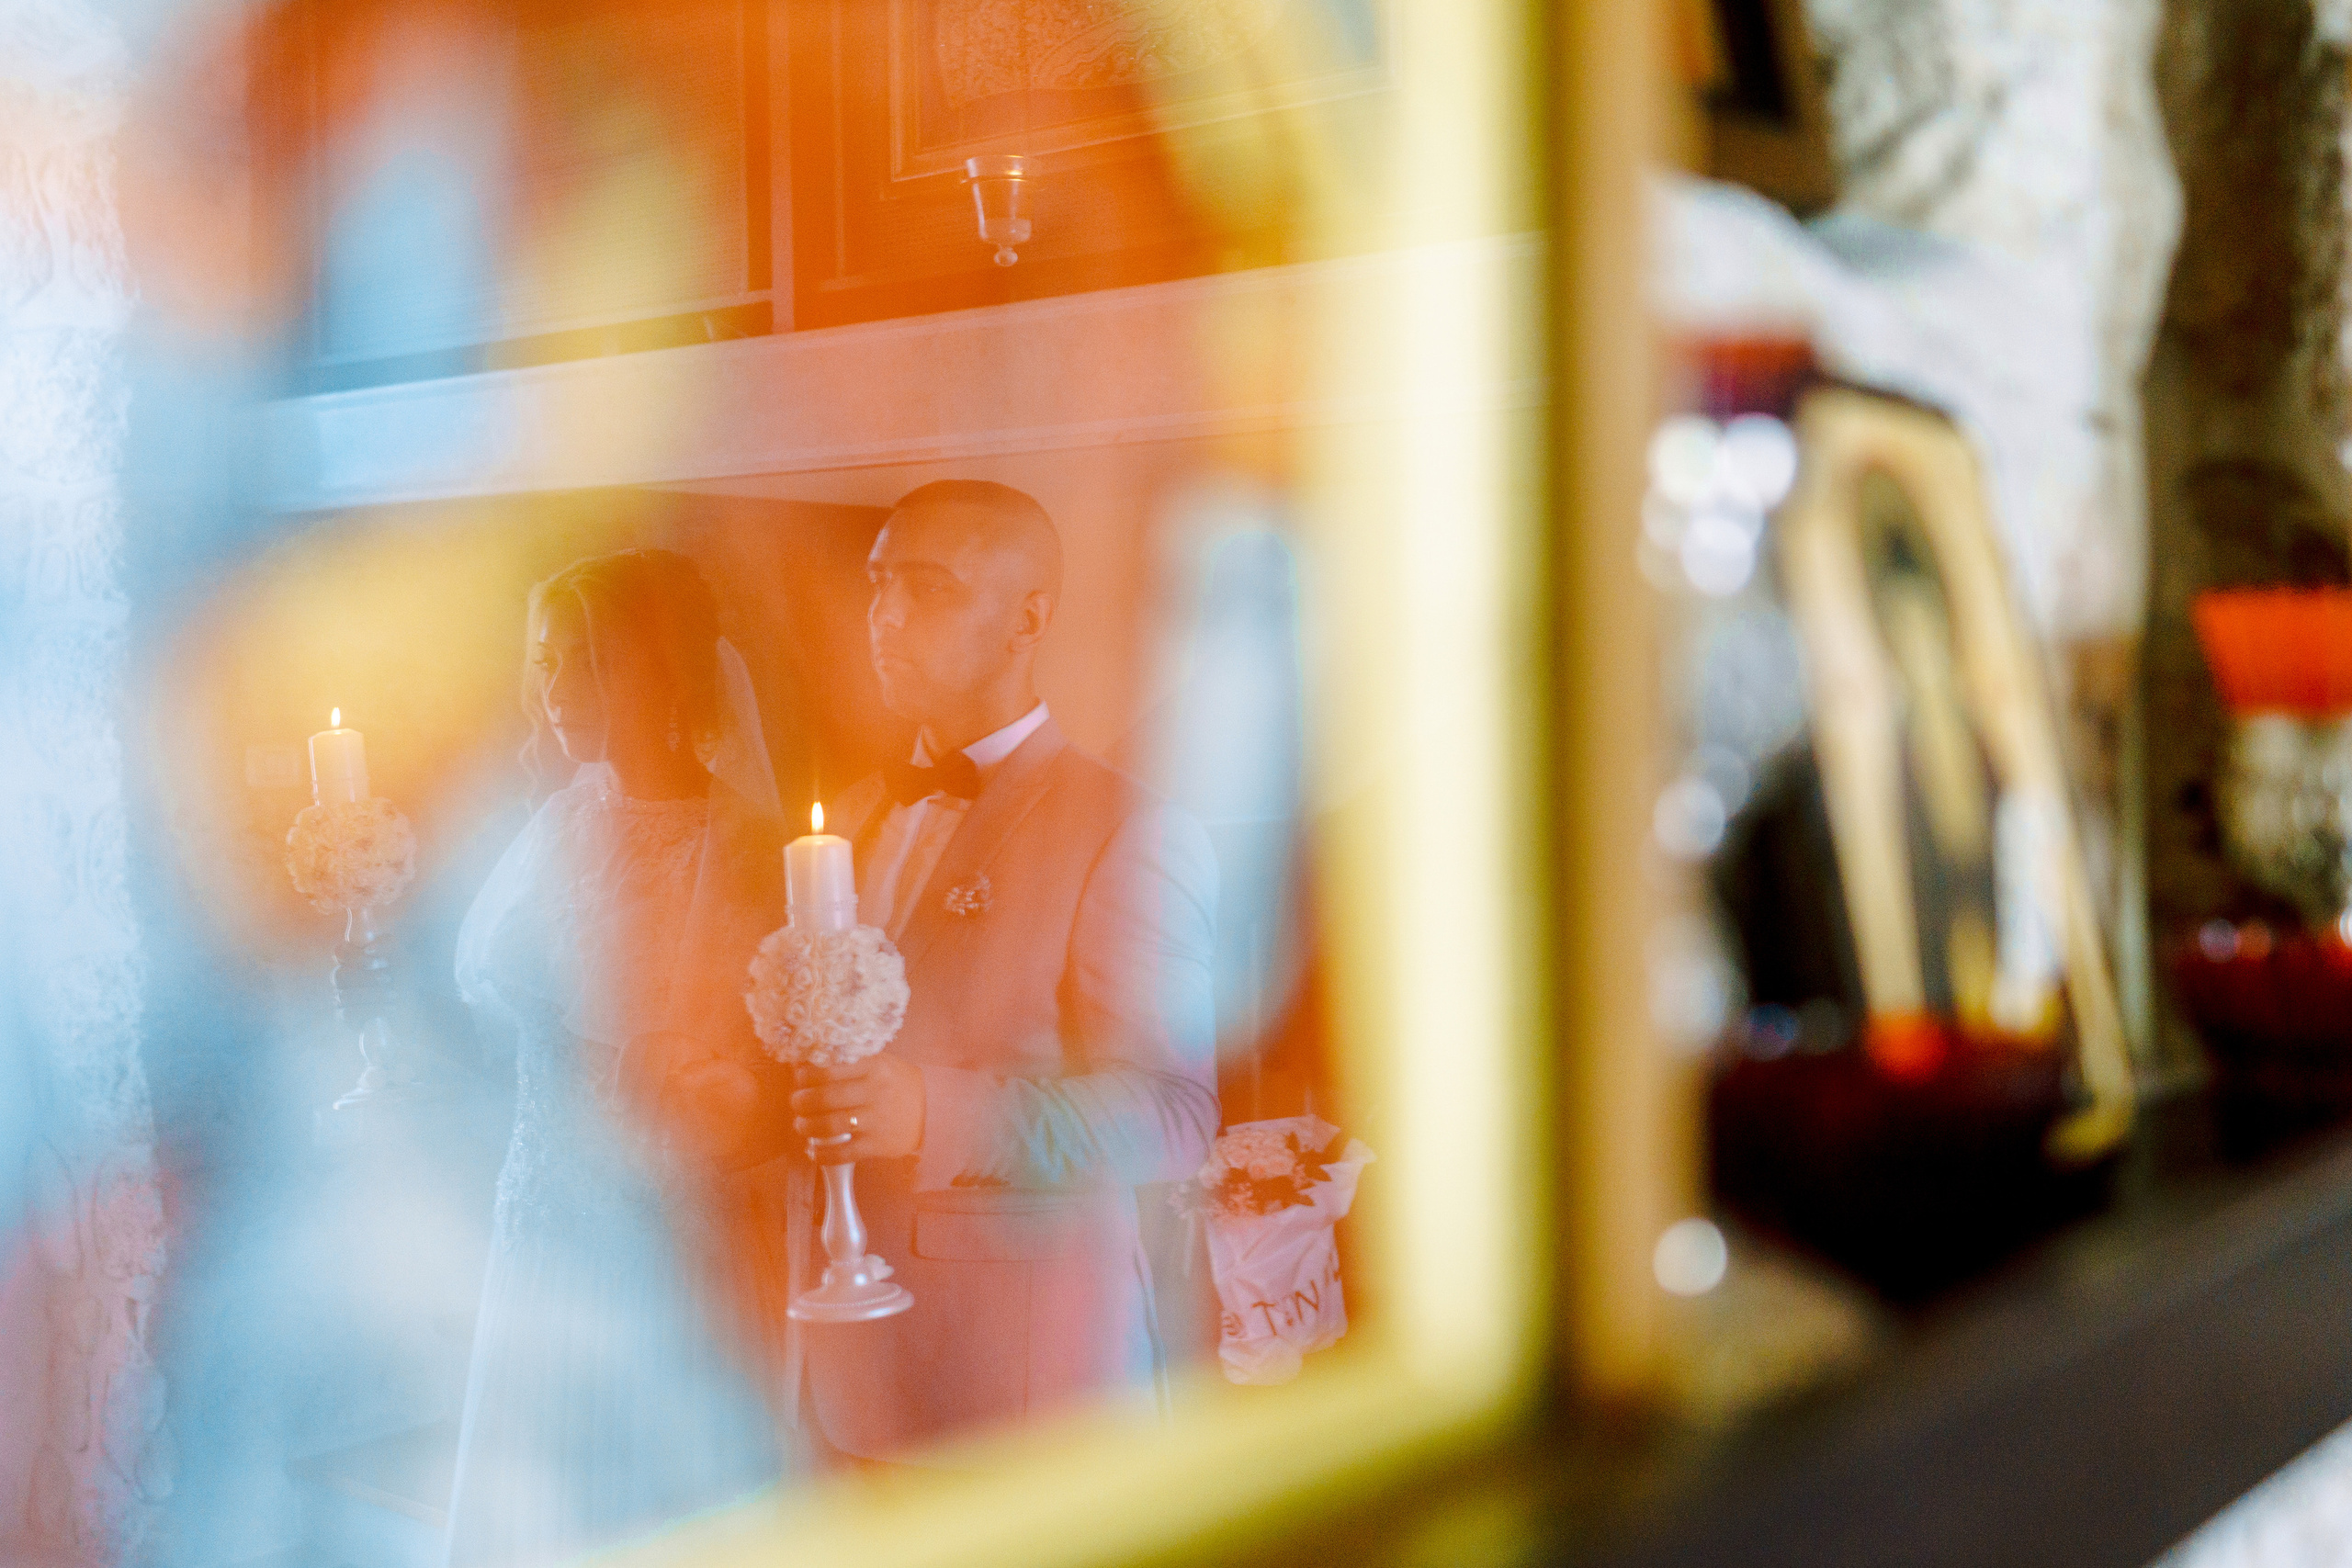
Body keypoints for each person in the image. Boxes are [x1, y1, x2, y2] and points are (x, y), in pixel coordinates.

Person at [785, 479, 1219, 1462]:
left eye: (928, 589)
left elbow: (1173, 1122)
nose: (883, 618)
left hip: (1034, 1373)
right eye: (876, 586)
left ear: (1030, 618)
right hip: (852, 1370)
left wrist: (932, 1115)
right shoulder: (846, 822)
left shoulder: (1124, 829)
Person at [446, 548, 783, 1567]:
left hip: (659, 1208)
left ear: (650, 669)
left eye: (577, 661)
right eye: (541, 663)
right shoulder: (553, 818)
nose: (549, 691)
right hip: (536, 1191)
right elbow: (476, 978)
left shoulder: (734, 840)